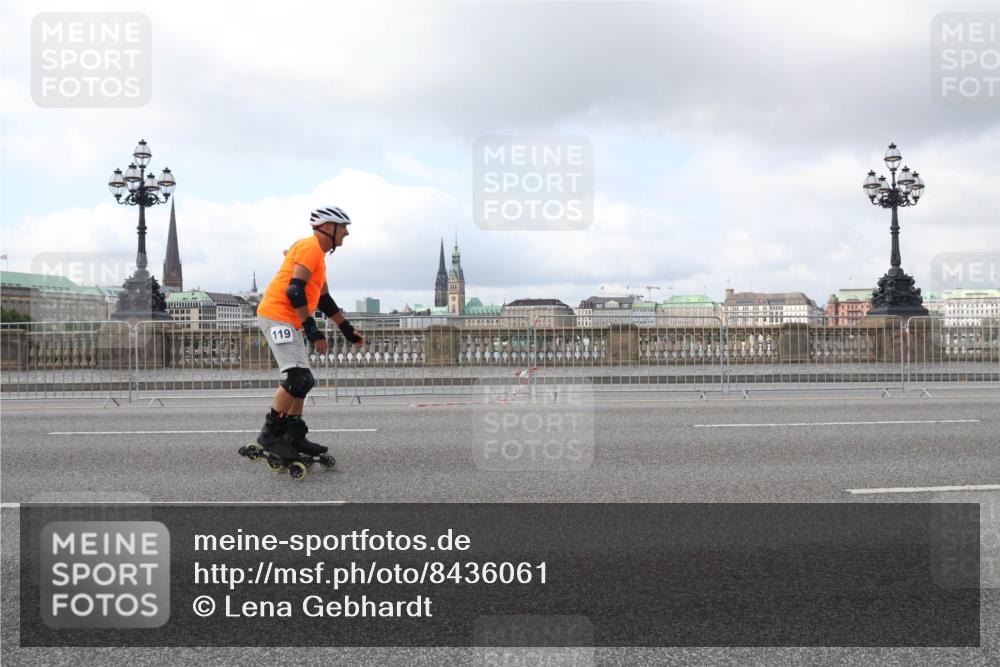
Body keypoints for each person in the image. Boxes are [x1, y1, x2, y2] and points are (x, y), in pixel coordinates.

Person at [254, 206, 364, 463]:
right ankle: (270, 436)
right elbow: (295, 292)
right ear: (329, 227)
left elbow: (324, 300)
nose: (346, 232)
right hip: (277, 315)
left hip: (288, 320)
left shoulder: (318, 256)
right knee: (298, 378)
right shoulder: (310, 247)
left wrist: (347, 330)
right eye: (343, 226)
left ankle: (294, 434)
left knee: (302, 381)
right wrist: (313, 331)